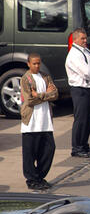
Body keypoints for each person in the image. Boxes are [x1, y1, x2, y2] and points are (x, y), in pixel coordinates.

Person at [65, 28, 90, 158]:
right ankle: (77, 147)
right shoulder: (74, 55)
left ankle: (84, 144)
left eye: (85, 38)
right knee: (81, 119)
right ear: (75, 39)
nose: (85, 40)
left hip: (89, 89)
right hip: (80, 90)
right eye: (82, 38)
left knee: (88, 118)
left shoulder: (86, 50)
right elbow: (85, 71)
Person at [20, 53, 58, 191]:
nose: (37, 66)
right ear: (28, 64)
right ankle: (32, 179)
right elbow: (29, 100)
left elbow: (55, 94)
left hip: (45, 120)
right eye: (34, 63)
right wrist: (46, 95)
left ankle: (39, 176)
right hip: (31, 121)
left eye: (38, 63)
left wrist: (40, 95)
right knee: (30, 153)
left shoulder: (45, 76)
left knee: (49, 149)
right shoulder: (26, 79)